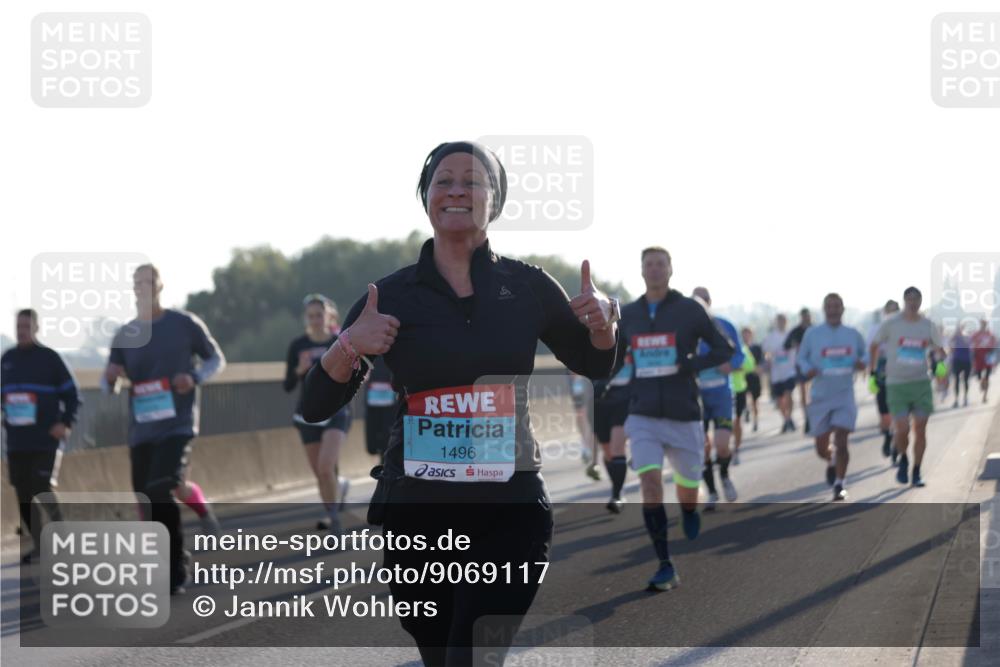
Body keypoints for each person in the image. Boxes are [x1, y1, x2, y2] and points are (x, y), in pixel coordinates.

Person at [301, 141, 618, 666]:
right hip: (418, 514)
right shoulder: (391, 296)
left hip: (509, 510)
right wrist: (349, 344)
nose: (456, 191)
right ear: (425, 196)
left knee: (469, 657)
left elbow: (595, 362)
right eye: (443, 180)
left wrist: (606, 324)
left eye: (472, 181)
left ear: (496, 200)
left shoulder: (528, 286)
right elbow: (315, 403)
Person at [103, 264, 226, 594]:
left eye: (149, 281)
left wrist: (194, 377)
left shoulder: (184, 324)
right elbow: (107, 383)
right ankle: (165, 561)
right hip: (142, 429)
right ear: (133, 288)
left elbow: (216, 359)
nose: (143, 286)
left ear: (160, 286)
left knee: (160, 490)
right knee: (146, 499)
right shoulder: (125, 334)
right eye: (138, 282)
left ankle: (175, 568)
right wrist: (110, 379)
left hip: (177, 425)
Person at [619, 248, 733, 591]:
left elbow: (724, 349)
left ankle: (689, 511)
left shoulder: (689, 310)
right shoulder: (629, 314)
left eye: (660, 264)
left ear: (671, 270)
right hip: (643, 413)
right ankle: (665, 564)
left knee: (687, 490)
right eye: (648, 265)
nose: (654, 270)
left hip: (683, 413)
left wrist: (689, 364)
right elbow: (612, 357)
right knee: (650, 484)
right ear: (641, 271)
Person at [2, 309, 80, 562]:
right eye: (18, 326)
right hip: (17, 441)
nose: (21, 331)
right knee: (23, 493)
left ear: (36, 328)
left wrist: (65, 423)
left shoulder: (50, 359)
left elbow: (72, 395)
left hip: (45, 439)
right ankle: (40, 545)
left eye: (26, 326)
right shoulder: (7, 359)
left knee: (40, 486)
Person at [283, 294, 353, 534]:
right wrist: (299, 369)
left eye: (319, 315)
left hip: (336, 411)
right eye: (311, 316)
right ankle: (337, 491)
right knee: (321, 475)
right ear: (306, 318)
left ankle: (334, 522)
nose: (315, 320)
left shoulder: (339, 342)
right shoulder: (298, 345)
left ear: (328, 316)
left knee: (325, 467)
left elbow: (355, 376)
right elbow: (287, 385)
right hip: (307, 414)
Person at [869, 287, 945, 488]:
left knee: (920, 429)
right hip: (896, 384)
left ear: (921, 301)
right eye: (909, 299)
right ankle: (903, 458)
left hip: (921, 383)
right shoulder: (891, 323)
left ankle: (917, 471)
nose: (913, 303)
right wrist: (872, 372)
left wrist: (940, 365)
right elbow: (874, 346)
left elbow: (940, 350)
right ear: (904, 301)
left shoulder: (928, 325)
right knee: (902, 429)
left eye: (916, 299)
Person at [796, 294, 867, 501]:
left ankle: (839, 484)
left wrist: (862, 363)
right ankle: (831, 458)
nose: (833, 310)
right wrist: (808, 369)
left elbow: (865, 355)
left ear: (843, 309)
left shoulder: (853, 334)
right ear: (824, 309)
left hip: (844, 394)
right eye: (829, 306)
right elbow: (801, 358)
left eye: (837, 306)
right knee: (821, 448)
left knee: (842, 440)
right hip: (820, 395)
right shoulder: (813, 334)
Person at [691, 287, 742, 510]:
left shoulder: (724, 325)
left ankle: (725, 475)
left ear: (709, 302)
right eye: (695, 301)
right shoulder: (685, 329)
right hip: (696, 396)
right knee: (702, 447)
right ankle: (711, 491)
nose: (700, 304)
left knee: (722, 445)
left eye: (704, 300)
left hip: (721, 395)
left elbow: (740, 354)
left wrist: (731, 364)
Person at [592, 344, 632, 513]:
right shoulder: (589, 334)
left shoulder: (628, 334)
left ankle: (617, 494)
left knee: (617, 447)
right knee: (607, 451)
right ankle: (617, 486)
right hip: (598, 399)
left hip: (624, 396)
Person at [867, 300, 901, 462]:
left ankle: (896, 445)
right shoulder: (876, 329)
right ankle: (888, 435)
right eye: (889, 311)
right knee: (885, 415)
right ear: (884, 312)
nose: (892, 314)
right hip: (881, 374)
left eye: (895, 311)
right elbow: (871, 350)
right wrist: (872, 372)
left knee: (899, 413)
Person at [763, 314, 797, 433]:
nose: (782, 323)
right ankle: (786, 419)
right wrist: (768, 359)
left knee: (789, 394)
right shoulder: (771, 337)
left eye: (783, 320)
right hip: (776, 373)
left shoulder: (790, 335)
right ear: (776, 322)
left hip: (789, 371)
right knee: (780, 399)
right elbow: (766, 352)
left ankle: (789, 417)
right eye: (779, 321)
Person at [364, 355, 398, 463]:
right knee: (373, 445)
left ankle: (385, 464)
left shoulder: (395, 352)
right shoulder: (369, 353)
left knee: (388, 440)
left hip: (391, 405)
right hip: (373, 404)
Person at [730, 332, 757, 464]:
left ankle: (736, 449)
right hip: (723, 391)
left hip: (739, 389)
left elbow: (750, 366)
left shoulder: (742, 348)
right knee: (724, 424)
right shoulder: (716, 345)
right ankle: (725, 451)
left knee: (736, 421)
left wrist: (734, 368)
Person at [785, 307, 812, 433]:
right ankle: (807, 418)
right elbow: (786, 345)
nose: (806, 318)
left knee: (815, 392)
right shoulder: (795, 331)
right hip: (801, 365)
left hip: (816, 364)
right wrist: (795, 345)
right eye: (804, 316)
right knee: (803, 393)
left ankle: (815, 415)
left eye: (807, 316)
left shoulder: (815, 329)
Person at [742, 327, 763, 432]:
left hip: (754, 377)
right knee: (744, 398)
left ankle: (755, 421)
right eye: (744, 334)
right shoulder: (740, 348)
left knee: (755, 401)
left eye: (748, 334)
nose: (746, 336)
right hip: (743, 377)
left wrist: (759, 369)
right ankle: (746, 411)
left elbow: (761, 361)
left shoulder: (757, 348)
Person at [971, 319, 997, 404]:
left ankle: (985, 396)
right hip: (978, 356)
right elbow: (971, 343)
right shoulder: (976, 334)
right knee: (979, 376)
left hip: (988, 356)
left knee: (987, 376)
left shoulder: (990, 334)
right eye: (982, 324)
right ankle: (982, 382)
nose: (983, 326)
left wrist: (993, 359)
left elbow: (994, 344)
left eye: (985, 324)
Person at [948, 325, 973, 408]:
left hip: (966, 361)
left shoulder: (968, 336)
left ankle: (965, 398)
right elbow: (949, 344)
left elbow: (969, 345)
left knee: (965, 380)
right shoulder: (955, 337)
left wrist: (962, 336)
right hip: (957, 360)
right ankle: (956, 400)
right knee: (956, 380)